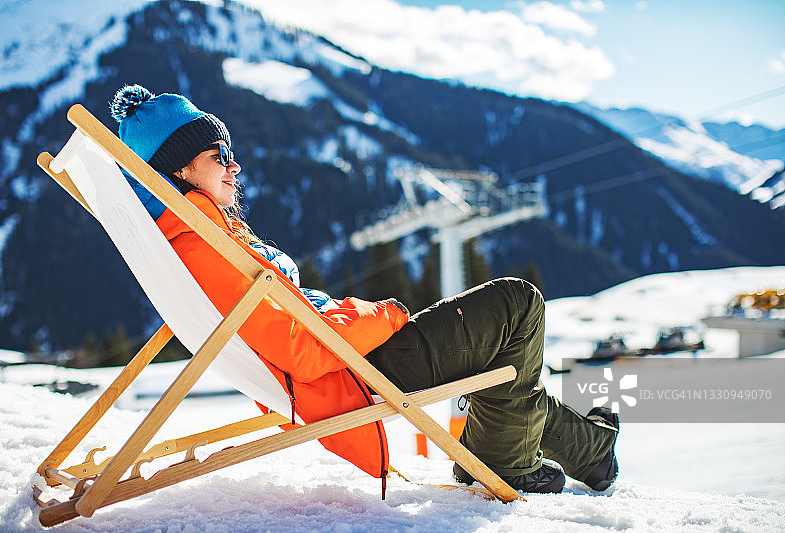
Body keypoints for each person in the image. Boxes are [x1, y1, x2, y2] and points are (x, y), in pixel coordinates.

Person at [109, 84, 619, 495]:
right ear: (179, 168)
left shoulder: (199, 236)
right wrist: (383, 314)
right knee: (518, 304)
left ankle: (590, 450)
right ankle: (506, 460)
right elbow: (303, 352)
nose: (234, 166)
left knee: (500, 358)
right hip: (354, 368)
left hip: (351, 358)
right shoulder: (203, 247)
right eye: (219, 155)